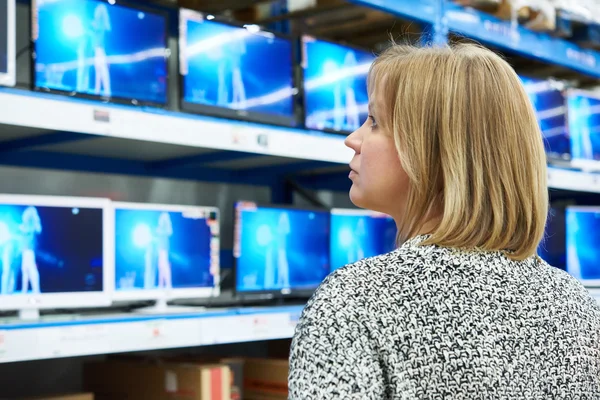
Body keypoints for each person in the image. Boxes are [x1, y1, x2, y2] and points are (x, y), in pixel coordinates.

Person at [288, 43, 600, 398]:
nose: (352, 138)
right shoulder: (575, 303)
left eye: (374, 121)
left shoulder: (353, 302)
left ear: (432, 150)